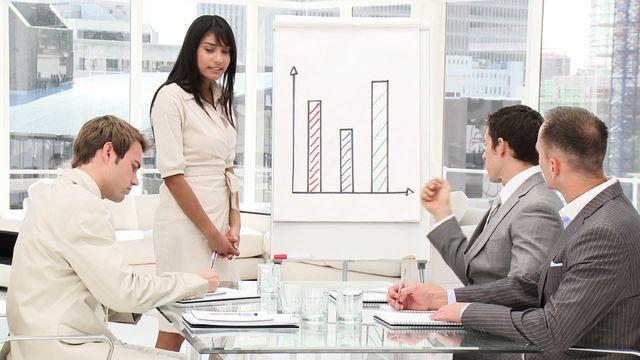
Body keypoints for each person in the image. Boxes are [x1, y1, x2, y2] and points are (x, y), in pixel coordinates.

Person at [389, 106, 640, 359]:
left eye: (539, 155)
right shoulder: (595, 213)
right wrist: (444, 297)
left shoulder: (606, 231)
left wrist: (465, 311)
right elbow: (533, 285)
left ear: (553, 166)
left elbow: (551, 329)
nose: (536, 163)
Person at [5, 115, 220, 360]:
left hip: (34, 343)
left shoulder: (51, 194)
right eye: (134, 166)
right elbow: (125, 292)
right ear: (108, 152)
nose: (135, 181)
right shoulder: (82, 205)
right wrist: (195, 282)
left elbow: (94, 287)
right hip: (64, 348)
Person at [149, 15, 241, 351]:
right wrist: (212, 234)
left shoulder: (223, 97)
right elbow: (173, 176)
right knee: (176, 320)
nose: (219, 59)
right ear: (193, 49)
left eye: (226, 51)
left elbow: (228, 168)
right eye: (210, 49)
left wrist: (234, 222)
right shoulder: (170, 97)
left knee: (222, 322)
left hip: (218, 217)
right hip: (184, 224)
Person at [423, 105, 563, 286]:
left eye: (486, 145)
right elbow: (473, 273)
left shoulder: (537, 206)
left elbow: (520, 291)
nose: (483, 155)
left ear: (501, 146)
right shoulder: (513, 197)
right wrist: (441, 211)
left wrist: (447, 298)